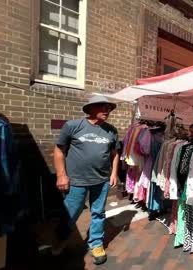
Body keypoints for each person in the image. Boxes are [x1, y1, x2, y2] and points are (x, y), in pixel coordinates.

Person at [52, 96, 119, 265]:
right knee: (70, 213)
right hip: (76, 181)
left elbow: (115, 154)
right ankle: (61, 239)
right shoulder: (73, 126)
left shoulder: (111, 130)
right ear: (90, 108)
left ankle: (96, 244)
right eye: (103, 106)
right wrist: (61, 175)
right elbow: (59, 151)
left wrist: (114, 173)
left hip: (101, 180)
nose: (107, 110)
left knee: (98, 213)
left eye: (109, 108)